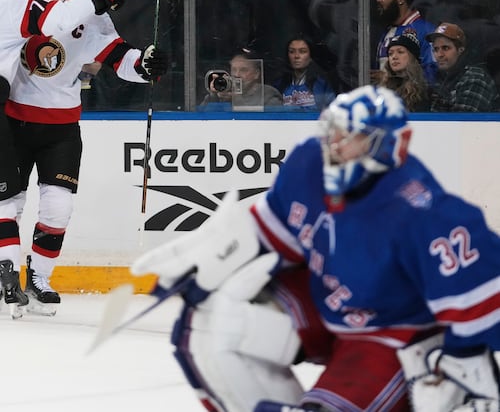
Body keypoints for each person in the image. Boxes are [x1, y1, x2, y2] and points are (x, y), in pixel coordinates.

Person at [132, 84, 500, 412]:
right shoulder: (309, 163)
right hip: (326, 299)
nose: (335, 145)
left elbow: (481, 304)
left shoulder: (425, 212)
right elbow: (266, 236)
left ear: (385, 144)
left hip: (391, 335)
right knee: (208, 321)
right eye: (333, 132)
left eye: (349, 136)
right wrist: (210, 266)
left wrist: (459, 362)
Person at [0, 0, 168, 316]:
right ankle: (8, 273)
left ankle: (40, 277)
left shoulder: (92, 20)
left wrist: (145, 65)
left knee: (59, 207)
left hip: (60, 127)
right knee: (8, 203)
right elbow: (50, 25)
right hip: (12, 121)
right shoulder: (20, 1)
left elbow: (119, 58)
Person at [374, 0, 437, 85]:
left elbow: (432, 72)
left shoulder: (426, 30)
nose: (378, 0)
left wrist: (390, 79)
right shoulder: (387, 32)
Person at [426, 22, 498, 112]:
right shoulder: (439, 79)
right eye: (436, 49)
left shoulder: (475, 77)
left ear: (460, 50)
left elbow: (463, 122)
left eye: (445, 48)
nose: (439, 55)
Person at [199, 50, 282, 111]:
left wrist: (236, 100)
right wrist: (214, 96)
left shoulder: (269, 94)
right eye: (234, 69)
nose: (237, 74)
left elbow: (269, 123)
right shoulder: (225, 90)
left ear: (256, 73)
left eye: (243, 70)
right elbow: (201, 117)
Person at [273, 36, 336, 111]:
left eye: (302, 51)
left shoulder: (322, 83)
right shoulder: (280, 84)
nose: (296, 56)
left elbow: (332, 111)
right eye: (292, 52)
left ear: (311, 56)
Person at [372, 31, 430, 111]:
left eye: (400, 52)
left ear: (412, 57)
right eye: (390, 54)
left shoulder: (425, 91)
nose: (394, 57)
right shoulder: (382, 90)